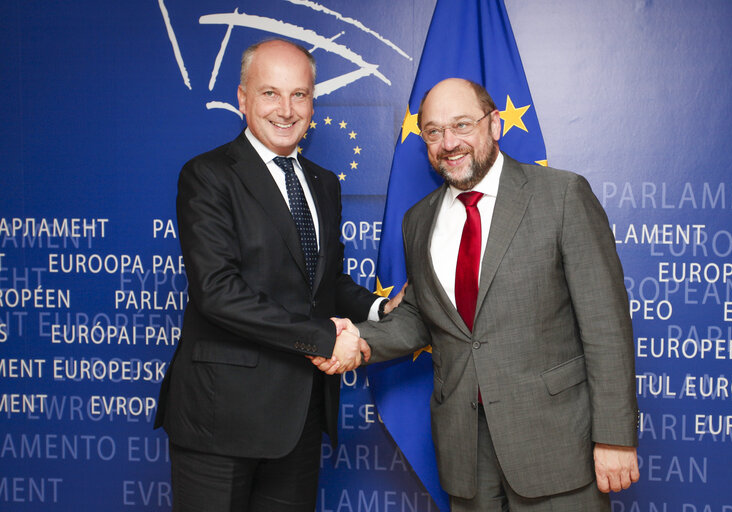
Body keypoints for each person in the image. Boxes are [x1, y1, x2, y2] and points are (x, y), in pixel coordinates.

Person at [314, 78, 639, 511]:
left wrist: (615, 437)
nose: (449, 142)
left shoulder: (561, 196)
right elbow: (420, 316)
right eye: (433, 131)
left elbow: (606, 326)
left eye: (462, 125)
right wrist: (358, 340)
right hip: (465, 449)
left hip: (557, 444)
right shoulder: (418, 220)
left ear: (495, 125)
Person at [154, 39, 389, 512]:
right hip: (221, 420)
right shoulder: (207, 176)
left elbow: (325, 284)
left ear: (312, 102)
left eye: (299, 94)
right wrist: (325, 339)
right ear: (243, 98)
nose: (286, 109)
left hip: (298, 417)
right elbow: (218, 293)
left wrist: (381, 309)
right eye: (270, 93)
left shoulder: (324, 183)